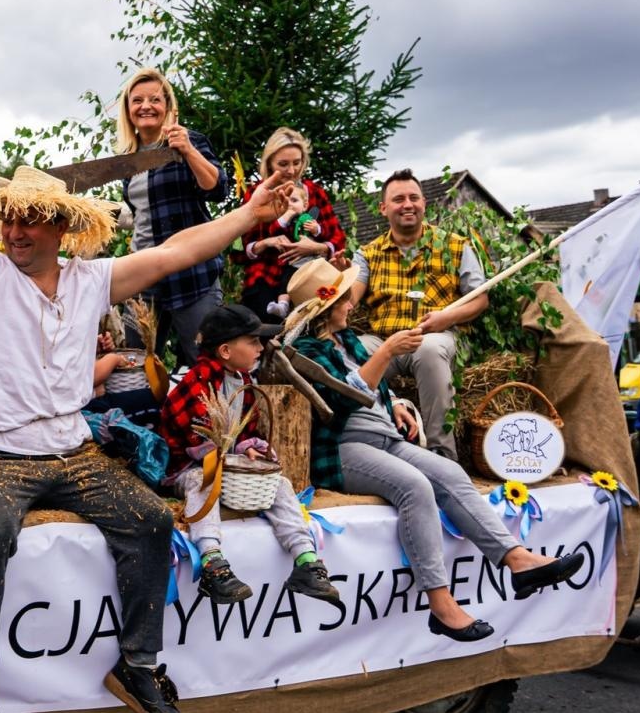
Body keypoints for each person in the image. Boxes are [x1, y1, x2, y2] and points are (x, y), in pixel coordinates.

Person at [0, 108, 298, 713]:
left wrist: (249, 215)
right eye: (8, 217)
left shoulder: (88, 281)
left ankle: (137, 664)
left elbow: (177, 250)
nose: (14, 229)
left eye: (30, 218)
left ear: (62, 227)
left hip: (74, 455)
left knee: (153, 520)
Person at [286, 258, 584, 641]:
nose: (351, 305)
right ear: (325, 309)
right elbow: (341, 399)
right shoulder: (304, 352)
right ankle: (441, 606)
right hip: (345, 446)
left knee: (450, 473)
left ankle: (517, 560)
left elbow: (371, 386)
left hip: (384, 438)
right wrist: (388, 351)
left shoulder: (346, 342)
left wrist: (392, 401)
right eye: (344, 300)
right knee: (415, 487)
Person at [155, 303, 340, 605]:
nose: (260, 347)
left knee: (278, 483)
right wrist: (235, 449)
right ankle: (212, 560)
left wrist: (252, 447)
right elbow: (195, 440)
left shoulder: (244, 382)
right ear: (226, 351)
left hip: (227, 466)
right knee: (204, 479)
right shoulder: (199, 381)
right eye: (252, 341)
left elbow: (244, 432)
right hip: (188, 466)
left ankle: (306, 559)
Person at [349, 169, 486, 463]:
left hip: (440, 336)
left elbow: (479, 300)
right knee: (352, 351)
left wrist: (446, 319)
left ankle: (442, 456)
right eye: (398, 199)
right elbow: (351, 297)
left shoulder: (456, 245)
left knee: (429, 349)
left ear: (424, 203)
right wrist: (334, 283)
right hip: (385, 339)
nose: (407, 204)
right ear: (383, 208)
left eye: (414, 197)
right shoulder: (367, 253)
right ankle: (369, 445)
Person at [113, 67, 229, 365]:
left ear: (167, 106)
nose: (146, 106)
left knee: (203, 359)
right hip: (144, 277)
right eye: (137, 100)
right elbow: (141, 213)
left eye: (154, 99)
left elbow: (218, 189)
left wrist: (188, 150)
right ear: (128, 110)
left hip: (191, 272)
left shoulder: (188, 141)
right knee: (136, 364)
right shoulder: (129, 157)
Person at [236, 127, 348, 322]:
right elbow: (237, 251)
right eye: (283, 164)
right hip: (267, 274)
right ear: (269, 164)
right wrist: (265, 243)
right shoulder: (256, 194)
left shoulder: (314, 192)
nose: (291, 170)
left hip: (309, 273)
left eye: (297, 163)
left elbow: (338, 239)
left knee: (317, 320)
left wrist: (316, 247)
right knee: (263, 319)